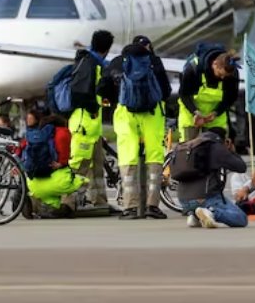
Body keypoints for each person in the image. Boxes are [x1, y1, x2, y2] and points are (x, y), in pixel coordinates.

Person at [107, 36, 171, 220]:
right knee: (154, 157)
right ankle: (152, 205)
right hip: (152, 115)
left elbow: (103, 88)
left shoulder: (118, 62)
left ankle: (130, 207)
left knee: (128, 158)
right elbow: (165, 90)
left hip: (126, 115)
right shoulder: (154, 61)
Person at [67, 30, 115, 212]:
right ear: (107, 49)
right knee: (79, 167)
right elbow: (79, 93)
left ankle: (100, 202)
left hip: (92, 127)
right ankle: (68, 203)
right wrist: (94, 108)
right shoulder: (88, 64)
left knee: (97, 167)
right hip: (83, 126)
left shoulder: (94, 63)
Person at [174, 130, 250, 228]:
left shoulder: (191, 145)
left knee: (218, 202)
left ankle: (194, 215)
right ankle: (210, 212)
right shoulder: (216, 148)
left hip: (183, 201)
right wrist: (231, 150)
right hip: (205, 198)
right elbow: (241, 167)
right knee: (241, 219)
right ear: (225, 140)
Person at [21, 105, 86, 219]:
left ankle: (33, 204)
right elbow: (64, 154)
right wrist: (62, 163)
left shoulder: (36, 136)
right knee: (78, 180)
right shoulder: (62, 132)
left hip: (34, 182)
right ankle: (67, 206)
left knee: (44, 194)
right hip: (58, 179)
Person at [178, 44, 239, 142]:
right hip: (191, 113)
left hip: (216, 116)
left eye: (225, 76)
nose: (222, 78)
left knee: (216, 150)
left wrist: (216, 112)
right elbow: (184, 94)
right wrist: (195, 112)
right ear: (214, 64)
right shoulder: (193, 69)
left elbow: (231, 97)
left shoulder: (231, 73)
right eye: (220, 74)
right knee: (188, 149)